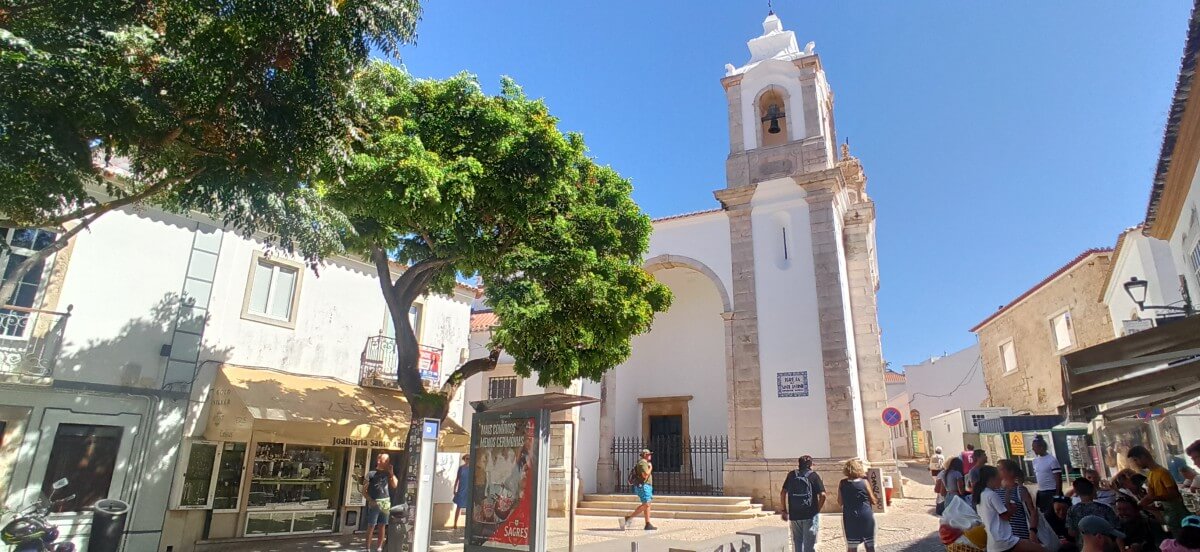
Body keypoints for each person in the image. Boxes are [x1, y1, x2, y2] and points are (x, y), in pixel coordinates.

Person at [975, 465, 1045, 552]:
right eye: (998, 475)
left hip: (994, 542)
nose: (1000, 478)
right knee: (1041, 550)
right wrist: (1011, 507)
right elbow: (1005, 516)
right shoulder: (991, 495)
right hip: (1004, 540)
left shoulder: (981, 494)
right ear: (992, 478)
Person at [1128, 445, 1188, 536]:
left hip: (1179, 515)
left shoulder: (1162, 472)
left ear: (1143, 456)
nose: (1136, 463)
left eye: (1136, 460)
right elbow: (1150, 496)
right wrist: (1138, 505)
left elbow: (1174, 494)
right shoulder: (1151, 475)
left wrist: (1154, 498)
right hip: (1169, 516)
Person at [781, 455, 827, 552]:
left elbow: (783, 492)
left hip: (794, 514)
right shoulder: (814, 476)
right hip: (810, 514)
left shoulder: (791, 475)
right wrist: (817, 510)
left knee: (797, 542)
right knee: (809, 544)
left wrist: (784, 510)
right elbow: (823, 495)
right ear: (810, 464)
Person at [838, 458, 877, 552]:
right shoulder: (864, 482)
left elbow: (840, 502)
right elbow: (873, 501)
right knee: (869, 545)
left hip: (850, 515)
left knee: (852, 546)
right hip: (865, 514)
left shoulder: (842, 483)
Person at [363, 453, 399, 552]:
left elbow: (395, 485)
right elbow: (364, 491)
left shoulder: (388, 473)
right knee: (371, 525)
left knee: (382, 525)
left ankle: (379, 547)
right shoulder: (371, 474)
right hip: (375, 502)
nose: (387, 463)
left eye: (388, 461)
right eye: (385, 461)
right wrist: (370, 500)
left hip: (385, 501)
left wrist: (391, 473)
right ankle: (368, 548)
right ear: (379, 460)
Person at [998, 459, 1040, 544]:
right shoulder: (995, 491)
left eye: (1001, 469)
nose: (998, 471)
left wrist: (1032, 531)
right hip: (1003, 537)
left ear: (1011, 472)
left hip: (1021, 535)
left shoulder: (1020, 490)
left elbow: (1032, 511)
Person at [1067, 478, 1119, 546]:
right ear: (1093, 490)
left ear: (1077, 492)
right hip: (1104, 546)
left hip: (1084, 547)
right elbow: (1116, 529)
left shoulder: (1072, 510)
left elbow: (1071, 532)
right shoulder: (1105, 508)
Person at [621, 449, 657, 530]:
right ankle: (629, 518)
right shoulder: (643, 463)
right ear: (644, 455)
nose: (650, 455)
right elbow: (645, 475)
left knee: (647, 504)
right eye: (649, 454)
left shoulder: (644, 463)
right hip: (644, 486)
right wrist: (650, 468)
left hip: (646, 486)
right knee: (647, 504)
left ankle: (647, 523)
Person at [1032, 436, 1064, 516]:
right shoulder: (1035, 461)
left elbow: (1058, 479)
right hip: (1041, 492)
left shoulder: (1052, 460)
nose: (1033, 449)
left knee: (1054, 515)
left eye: (1034, 447)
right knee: (1043, 515)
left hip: (1051, 491)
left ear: (1041, 447)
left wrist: (1057, 495)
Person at [452, 454, 470, 528]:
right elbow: (457, 478)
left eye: (469, 458)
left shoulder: (472, 468)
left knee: (469, 507)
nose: (468, 460)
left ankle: (468, 525)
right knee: (459, 506)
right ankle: (455, 523)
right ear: (464, 459)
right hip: (461, 489)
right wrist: (454, 488)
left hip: (468, 489)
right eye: (467, 458)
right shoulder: (461, 468)